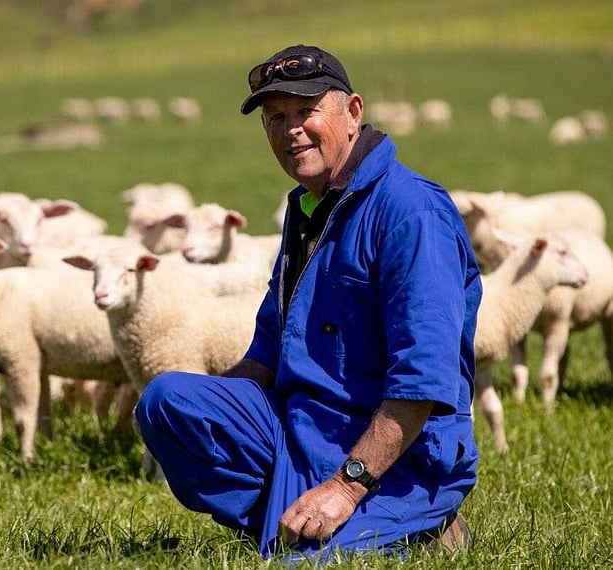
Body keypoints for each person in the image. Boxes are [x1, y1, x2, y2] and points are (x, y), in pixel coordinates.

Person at [136, 44, 482, 563]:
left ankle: (423, 522)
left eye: (306, 110)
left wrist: (345, 486)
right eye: (276, 117)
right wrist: (212, 409)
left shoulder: (411, 213)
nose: (291, 129)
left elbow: (422, 382)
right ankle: (292, 515)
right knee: (167, 402)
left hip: (400, 455)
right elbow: (269, 352)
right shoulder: (307, 210)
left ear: (353, 112)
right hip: (303, 427)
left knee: (303, 564)